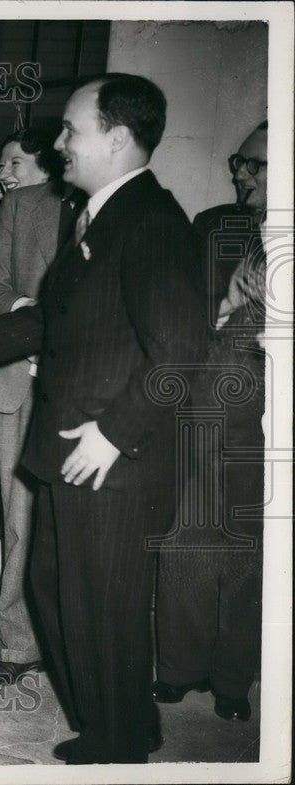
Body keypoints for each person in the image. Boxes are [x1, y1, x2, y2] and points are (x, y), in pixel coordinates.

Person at [0, 73, 207, 763]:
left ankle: (119, 746)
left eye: (70, 131)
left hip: (109, 460)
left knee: (99, 606)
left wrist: (115, 433)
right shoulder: (104, 214)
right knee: (57, 592)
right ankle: (122, 725)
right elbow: (65, 317)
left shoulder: (151, 222)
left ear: (116, 138)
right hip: (72, 446)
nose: (58, 143)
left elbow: (182, 353)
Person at [153, 121, 267, 724]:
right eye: (238, 162)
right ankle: (179, 668)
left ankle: (232, 678)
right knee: (185, 539)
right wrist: (223, 304)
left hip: (268, 421)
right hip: (200, 405)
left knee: (247, 551)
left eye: (258, 165)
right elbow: (177, 311)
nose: (241, 174)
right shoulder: (214, 227)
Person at [0, 128, 72, 686]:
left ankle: (74, 642)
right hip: (18, 381)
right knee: (16, 517)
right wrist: (25, 307)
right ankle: (18, 642)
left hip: (85, 386)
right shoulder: (19, 206)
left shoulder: (111, 207)